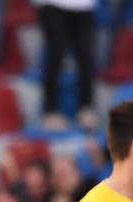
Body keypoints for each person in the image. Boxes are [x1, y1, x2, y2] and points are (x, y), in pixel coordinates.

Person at [34, 0, 97, 131]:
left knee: (86, 57)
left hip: (83, 5)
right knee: (55, 56)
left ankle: (85, 108)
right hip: (51, 4)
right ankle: (50, 111)